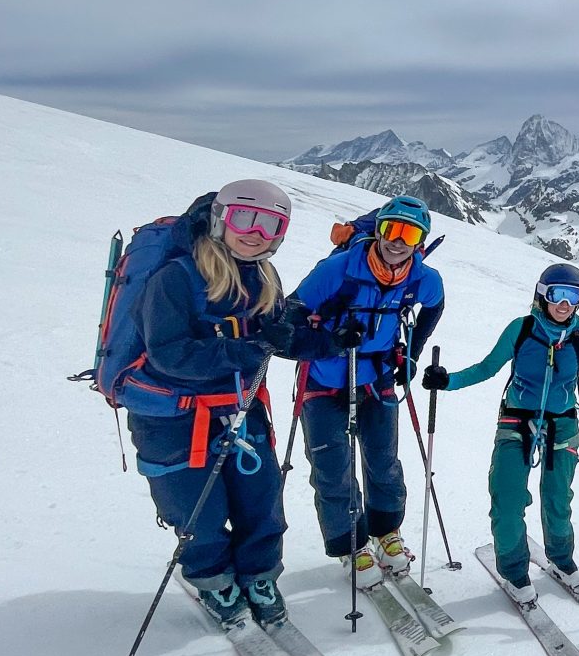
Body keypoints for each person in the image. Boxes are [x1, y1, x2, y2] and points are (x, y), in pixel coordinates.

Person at [126, 180, 351, 626]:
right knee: (197, 509)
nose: (256, 232)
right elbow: (168, 353)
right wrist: (243, 351)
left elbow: (275, 337)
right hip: (174, 419)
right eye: (244, 218)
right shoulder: (176, 277)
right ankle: (214, 582)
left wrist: (329, 342)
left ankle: (258, 575)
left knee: (260, 499)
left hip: (240, 410)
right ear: (220, 219)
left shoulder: (263, 277)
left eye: (271, 223)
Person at [420, 262, 579, 603]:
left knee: (558, 500)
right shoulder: (521, 330)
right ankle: (514, 571)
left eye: (573, 296)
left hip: (562, 426)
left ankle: (561, 559)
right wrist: (449, 381)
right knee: (508, 499)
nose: (565, 304)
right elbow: (488, 367)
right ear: (542, 295)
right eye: (557, 294)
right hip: (516, 422)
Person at [289, 195, 445, 588]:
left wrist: (411, 355)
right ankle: (351, 545)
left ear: (419, 241)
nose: (398, 241)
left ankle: (386, 532)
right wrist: (329, 339)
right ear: (378, 230)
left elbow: (434, 307)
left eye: (409, 233)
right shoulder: (339, 269)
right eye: (391, 229)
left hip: (376, 377)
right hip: (324, 378)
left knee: (384, 461)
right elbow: (290, 315)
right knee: (332, 469)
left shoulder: (424, 279)